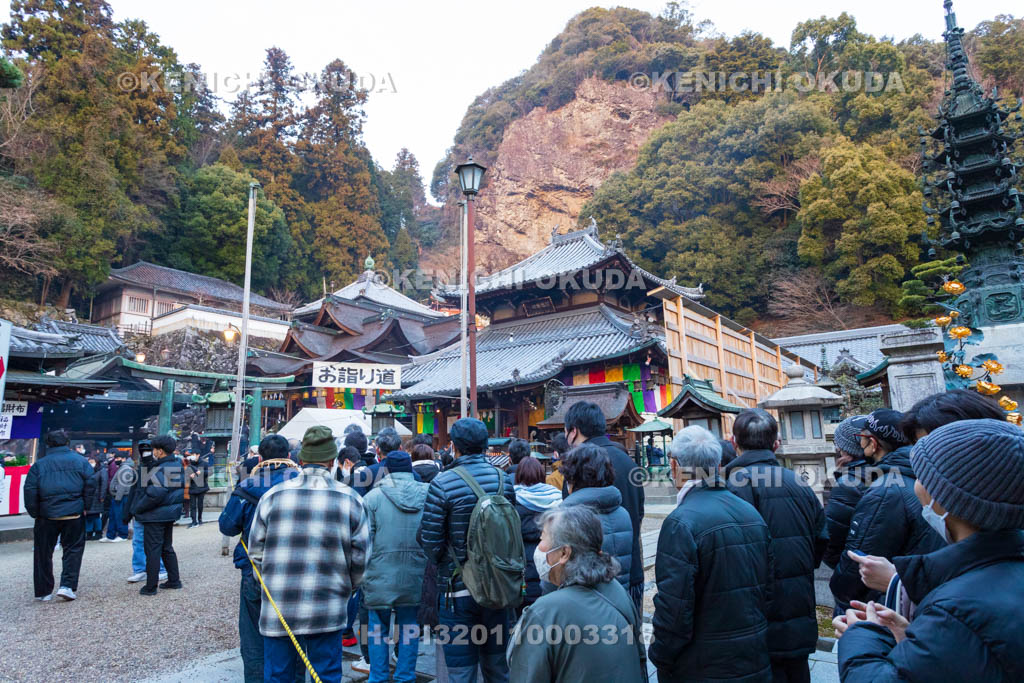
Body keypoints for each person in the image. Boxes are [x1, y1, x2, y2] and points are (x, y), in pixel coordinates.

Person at [834, 419, 1024, 682]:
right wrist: (912, 636)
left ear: (946, 496)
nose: (916, 485)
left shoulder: (954, 610)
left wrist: (865, 634)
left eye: (922, 475)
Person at [650, 426, 772, 682]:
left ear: (674, 465)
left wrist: (660, 656)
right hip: (754, 654)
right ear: (717, 464)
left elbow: (674, 608)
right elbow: (768, 589)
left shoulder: (681, 523)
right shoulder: (750, 513)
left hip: (703, 665)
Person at [248, 426, 368, 683]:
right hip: (328, 604)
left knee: (280, 675)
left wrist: (269, 583)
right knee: (324, 674)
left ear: (300, 460)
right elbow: (360, 559)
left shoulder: (272, 497)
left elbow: (255, 553)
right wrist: (348, 588)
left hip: (279, 603)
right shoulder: (351, 499)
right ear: (333, 460)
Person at [725, 408, 826, 683]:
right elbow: (821, 540)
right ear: (776, 444)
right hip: (797, 604)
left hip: (751, 613)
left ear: (734, 443)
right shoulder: (800, 484)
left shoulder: (731, 487)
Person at [418, 417, 517, 683]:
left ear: (453, 447)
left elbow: (430, 542)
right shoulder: (503, 480)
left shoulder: (443, 483)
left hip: (457, 589)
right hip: (498, 587)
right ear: (486, 445)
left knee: (461, 672)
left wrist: (446, 562)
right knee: (497, 667)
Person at [507, 505, 647, 682]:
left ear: (564, 553)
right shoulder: (617, 590)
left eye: (542, 539)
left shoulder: (545, 612)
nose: (538, 548)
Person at [829, 409, 945, 609]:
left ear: (873, 443)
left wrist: (840, 590)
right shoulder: (926, 474)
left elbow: (859, 558)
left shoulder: (885, 490)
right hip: (919, 588)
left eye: (863, 438)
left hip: (883, 601)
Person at [218, 434, 298, 683]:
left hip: (255, 568)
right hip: (296, 567)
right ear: (289, 455)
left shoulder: (248, 486)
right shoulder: (302, 483)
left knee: (254, 635)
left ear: (260, 458)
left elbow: (228, 526)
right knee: (294, 633)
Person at [564, 401, 645, 609]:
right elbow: (640, 511)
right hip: (631, 566)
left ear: (574, 431)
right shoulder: (629, 463)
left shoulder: (578, 466)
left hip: (591, 579)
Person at [362, 450, 430, 683]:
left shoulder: (372, 497)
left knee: (377, 625)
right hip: (416, 572)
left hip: (379, 572)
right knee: (410, 625)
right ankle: (405, 676)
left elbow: (364, 541)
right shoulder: (428, 494)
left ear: (386, 470)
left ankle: (378, 676)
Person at [24, 429, 96, 601]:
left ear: (48, 444)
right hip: (74, 512)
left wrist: (35, 512)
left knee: (43, 552)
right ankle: (67, 586)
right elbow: (91, 484)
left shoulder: (39, 465)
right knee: (73, 549)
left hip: (46, 514)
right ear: (67, 443)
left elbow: (30, 490)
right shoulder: (80, 462)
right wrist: (85, 506)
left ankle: (43, 591)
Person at [560, 444, 633, 589]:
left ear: (573, 477)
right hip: (618, 596)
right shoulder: (623, 513)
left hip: (583, 603)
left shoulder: (567, 518)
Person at [823, 415, 873, 614]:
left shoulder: (848, 484)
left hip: (856, 579)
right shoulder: (889, 473)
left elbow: (832, 539)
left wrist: (844, 571)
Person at [127, 435, 185, 596]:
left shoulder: (161, 468)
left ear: (159, 451)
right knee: (167, 547)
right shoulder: (176, 464)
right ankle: (174, 580)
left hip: (155, 514)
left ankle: (150, 586)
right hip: (169, 513)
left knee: (152, 549)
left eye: (154, 449)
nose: (152, 452)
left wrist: (137, 508)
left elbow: (155, 494)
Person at [512, 456, 562, 609]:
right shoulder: (557, 499)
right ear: (541, 475)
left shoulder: (512, 502)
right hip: (550, 571)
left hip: (521, 574)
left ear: (518, 476)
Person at [100, 453, 130, 542]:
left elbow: (123, 485)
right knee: (112, 516)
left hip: (121, 496)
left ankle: (123, 535)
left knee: (120, 516)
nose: (116, 460)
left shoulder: (126, 469)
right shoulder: (121, 468)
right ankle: (110, 535)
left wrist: (118, 497)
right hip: (116, 496)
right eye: (115, 458)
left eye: (118, 458)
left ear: (124, 459)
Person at [185, 451, 211, 528]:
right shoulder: (189, 464)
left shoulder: (204, 463)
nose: (192, 456)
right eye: (191, 455)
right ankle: (194, 521)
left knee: (200, 504)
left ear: (198, 455)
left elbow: (210, 472)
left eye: (194, 454)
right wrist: (190, 476)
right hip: (192, 487)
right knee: (192, 505)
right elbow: (185, 476)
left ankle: (200, 519)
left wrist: (201, 472)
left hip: (201, 487)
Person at [84, 454, 105, 540]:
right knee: (89, 516)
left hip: (97, 496)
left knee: (96, 516)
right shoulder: (87, 471)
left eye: (92, 462)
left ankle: (98, 532)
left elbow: (104, 483)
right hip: (89, 496)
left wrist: (102, 496)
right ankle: (89, 533)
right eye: (89, 462)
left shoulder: (101, 471)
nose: (90, 464)